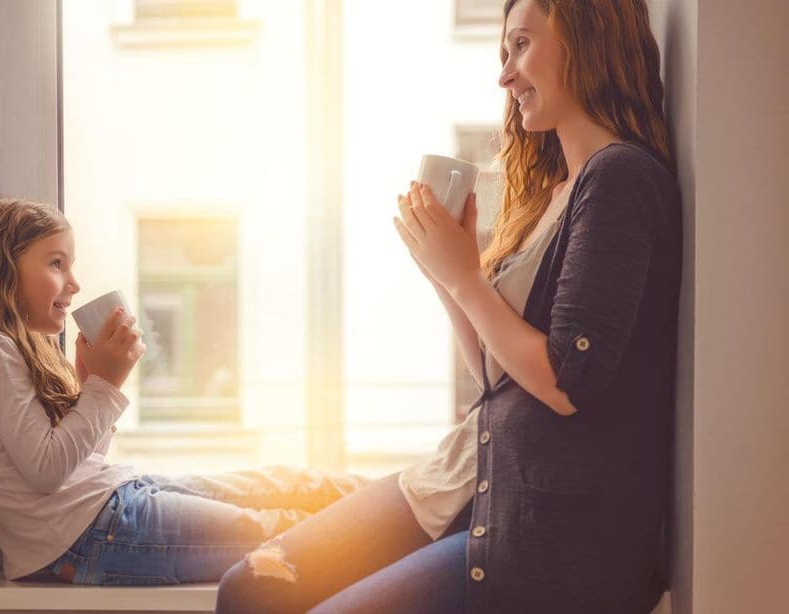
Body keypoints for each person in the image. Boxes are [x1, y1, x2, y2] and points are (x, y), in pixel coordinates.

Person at [216, 0, 680, 612]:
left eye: (520, 45)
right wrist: (445, 271)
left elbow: (570, 383)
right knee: (250, 586)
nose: (505, 75)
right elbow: (495, 376)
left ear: (586, 37)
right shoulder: (558, 191)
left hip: (533, 532)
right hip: (465, 478)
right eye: (503, 53)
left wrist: (466, 279)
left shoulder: (619, 178)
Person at [0, 196, 367, 586]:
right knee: (280, 529)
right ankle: (417, 532)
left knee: (288, 482)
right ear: (0, 269)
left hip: (111, 506)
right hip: (91, 535)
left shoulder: (11, 346)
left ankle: (419, 499)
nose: (73, 283)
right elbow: (47, 470)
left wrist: (93, 384)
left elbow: (79, 463)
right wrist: (105, 386)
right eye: (56, 264)